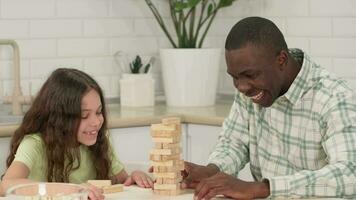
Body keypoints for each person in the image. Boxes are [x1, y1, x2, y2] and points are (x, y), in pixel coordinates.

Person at [182, 16, 356, 199]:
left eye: (249, 74)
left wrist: (260, 188)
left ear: (281, 60)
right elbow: (235, 142)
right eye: (235, 77)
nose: (242, 87)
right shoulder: (252, 89)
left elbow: (350, 173)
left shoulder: (335, 98)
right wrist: (212, 171)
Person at [0, 68, 153, 199]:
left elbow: (121, 181)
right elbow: (6, 184)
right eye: (84, 115)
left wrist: (133, 177)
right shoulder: (35, 144)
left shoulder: (99, 140)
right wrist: (72, 190)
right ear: (59, 118)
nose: (96, 122)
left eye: (99, 112)